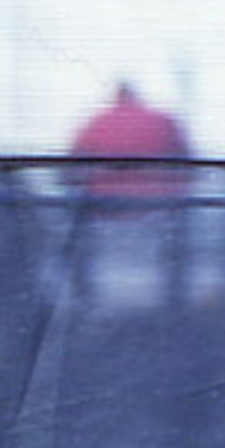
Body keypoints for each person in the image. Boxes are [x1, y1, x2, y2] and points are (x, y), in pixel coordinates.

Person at [66, 80, 195, 306]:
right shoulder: (161, 120)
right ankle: (174, 293)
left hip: (105, 201)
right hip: (157, 200)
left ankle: (83, 292)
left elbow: (73, 161)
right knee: (177, 235)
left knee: (77, 228)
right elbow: (186, 158)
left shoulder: (97, 121)